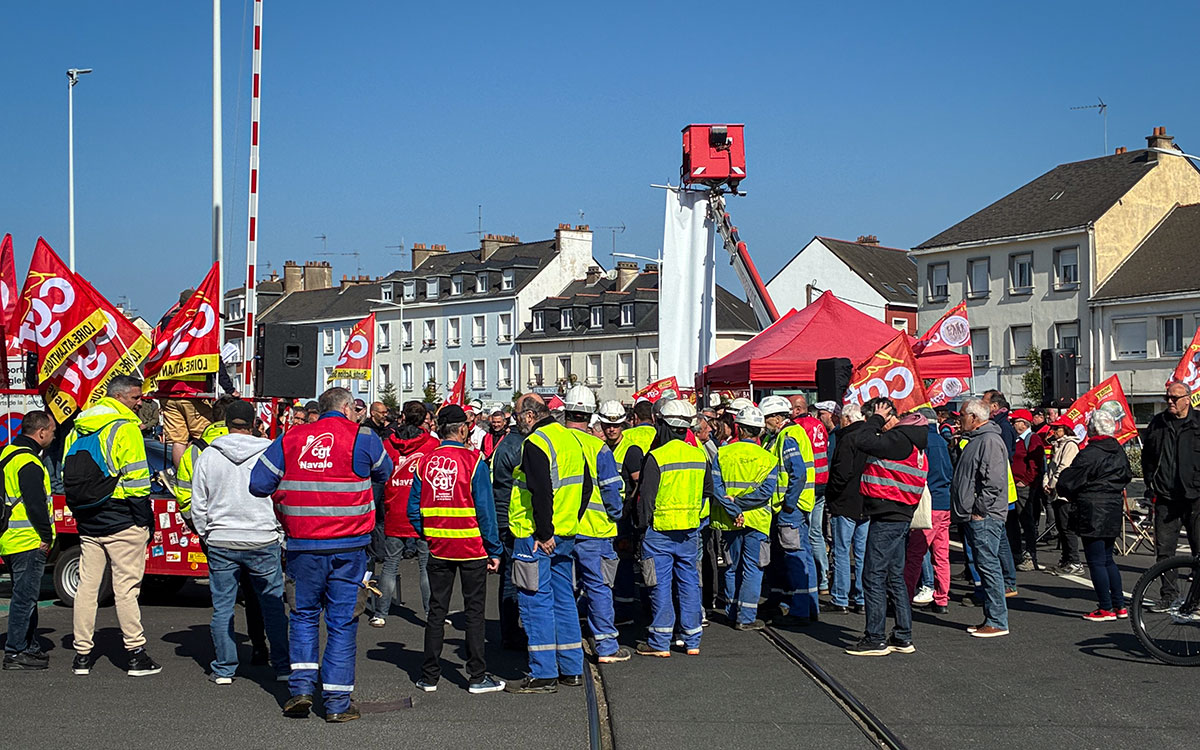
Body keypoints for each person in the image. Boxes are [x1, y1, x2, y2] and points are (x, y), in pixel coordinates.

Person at [250, 387, 393, 723]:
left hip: (303, 546)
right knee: (342, 622)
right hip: (349, 548)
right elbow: (385, 473)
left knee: (303, 616)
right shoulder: (364, 437)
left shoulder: (291, 438)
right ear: (346, 408)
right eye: (355, 410)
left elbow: (258, 484)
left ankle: (301, 689)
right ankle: (337, 704)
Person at [65, 375, 161, 677]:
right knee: (126, 589)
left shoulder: (78, 428)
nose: (140, 402)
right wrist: (145, 520)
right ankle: (135, 654)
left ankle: (82, 655)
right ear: (119, 397)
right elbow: (137, 482)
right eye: (136, 397)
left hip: (89, 520)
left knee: (87, 588)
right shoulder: (126, 428)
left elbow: (69, 476)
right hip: (123, 519)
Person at [407, 404, 505, 694]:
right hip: (472, 548)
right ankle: (476, 676)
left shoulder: (425, 462)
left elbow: (413, 509)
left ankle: (429, 676)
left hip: (438, 547)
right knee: (474, 611)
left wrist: (428, 534)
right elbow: (485, 511)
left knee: (437, 611)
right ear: (463, 429)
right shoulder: (474, 462)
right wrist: (494, 549)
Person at [190, 400, 290, 684]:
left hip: (222, 538)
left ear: (225, 424)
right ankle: (282, 666)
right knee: (272, 605)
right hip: (262, 537)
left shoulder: (209, 455)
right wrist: (280, 533)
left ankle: (224, 668)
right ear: (254, 423)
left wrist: (206, 534)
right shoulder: (271, 451)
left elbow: (198, 503)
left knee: (223, 607)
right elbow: (281, 496)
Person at [505, 394, 588, 693]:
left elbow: (540, 490)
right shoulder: (570, 439)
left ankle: (543, 673)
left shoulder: (536, 442)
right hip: (565, 533)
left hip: (537, 537)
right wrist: (568, 521)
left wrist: (544, 533)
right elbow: (586, 487)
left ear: (529, 416)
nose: (516, 421)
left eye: (517, 416)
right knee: (564, 599)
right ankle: (572, 668)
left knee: (535, 601)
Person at [845, 400, 927, 656]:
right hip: (898, 514)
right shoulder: (911, 441)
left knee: (873, 575)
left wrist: (876, 418)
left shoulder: (899, 439)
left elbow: (862, 440)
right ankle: (902, 636)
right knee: (894, 577)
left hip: (888, 514)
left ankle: (875, 637)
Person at [635, 399, 712, 656]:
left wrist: (641, 528)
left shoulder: (657, 457)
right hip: (689, 531)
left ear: (662, 424)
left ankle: (659, 641)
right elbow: (707, 491)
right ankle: (692, 640)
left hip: (659, 532)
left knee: (659, 585)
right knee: (689, 583)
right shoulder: (699, 455)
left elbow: (646, 500)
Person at [560, 387, 630, 663]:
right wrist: (616, 514)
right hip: (595, 530)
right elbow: (612, 491)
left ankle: (564, 644)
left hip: (559, 530)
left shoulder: (553, 442)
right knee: (598, 586)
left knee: (562, 588)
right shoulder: (598, 448)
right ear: (591, 417)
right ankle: (606, 646)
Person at [1057, 410, 1133, 621]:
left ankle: (1106, 607)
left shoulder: (1090, 453)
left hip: (1092, 506)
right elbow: (1127, 474)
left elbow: (1069, 481)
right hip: (1113, 505)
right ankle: (1119, 605)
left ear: (1093, 429)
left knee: (1096, 561)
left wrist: (1065, 484)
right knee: (1108, 559)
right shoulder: (1118, 450)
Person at [711, 406, 779, 630]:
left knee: (731, 567)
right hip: (757, 521)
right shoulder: (768, 459)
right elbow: (765, 493)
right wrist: (741, 505)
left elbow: (717, 488)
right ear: (760, 431)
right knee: (753, 567)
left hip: (729, 520)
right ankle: (746, 617)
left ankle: (731, 612)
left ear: (739, 429)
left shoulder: (722, 453)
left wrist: (734, 508)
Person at [373, 401, 438, 627]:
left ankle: (380, 613)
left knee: (390, 564)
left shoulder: (388, 444)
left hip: (395, 507)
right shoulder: (431, 444)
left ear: (402, 417)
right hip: (421, 510)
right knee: (425, 566)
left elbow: (380, 474)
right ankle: (431, 614)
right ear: (424, 419)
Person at [1, 411, 57, 670]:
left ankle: (28, 646)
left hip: (9, 538)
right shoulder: (29, 462)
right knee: (24, 598)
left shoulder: (7, 454)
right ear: (41, 432)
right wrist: (46, 536)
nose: (53, 436)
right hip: (27, 540)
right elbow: (36, 504)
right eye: (52, 432)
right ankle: (15, 652)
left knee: (24, 596)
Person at [951, 398, 1010, 639]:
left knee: (988, 565)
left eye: (962, 415)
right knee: (984, 565)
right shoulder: (977, 440)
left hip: (985, 516)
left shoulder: (989, 440)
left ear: (974, 418)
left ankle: (997, 620)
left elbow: (993, 481)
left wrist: (979, 509)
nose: (959, 420)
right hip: (976, 514)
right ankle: (991, 618)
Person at [1141, 380, 1200, 611]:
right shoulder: (1159, 423)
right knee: (1164, 552)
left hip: (1195, 498)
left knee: (1198, 552)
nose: (1170, 401)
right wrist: (1151, 483)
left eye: (1174, 398)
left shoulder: (1198, 422)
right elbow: (1147, 458)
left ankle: (1196, 600)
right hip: (1166, 498)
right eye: (1167, 397)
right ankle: (1168, 596)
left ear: (1188, 399)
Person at [760, 395, 818, 626]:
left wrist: (789, 503)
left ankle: (801, 610)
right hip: (790, 506)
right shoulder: (781, 435)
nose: (764, 423)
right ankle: (798, 604)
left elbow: (798, 473)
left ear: (777, 417)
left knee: (795, 557)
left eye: (766, 418)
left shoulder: (788, 436)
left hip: (790, 507)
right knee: (794, 556)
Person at [596, 400, 644, 624]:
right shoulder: (601, 448)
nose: (611, 429)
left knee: (623, 562)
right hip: (606, 515)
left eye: (615, 425)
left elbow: (638, 484)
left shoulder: (631, 450)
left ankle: (625, 609)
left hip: (624, 517)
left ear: (623, 424)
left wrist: (627, 510)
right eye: (607, 425)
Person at [902, 408, 953, 615]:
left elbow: (919, 474)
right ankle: (942, 598)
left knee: (915, 553)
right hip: (944, 501)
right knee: (941, 554)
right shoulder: (941, 441)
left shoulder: (922, 443)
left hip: (928, 502)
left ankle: (905, 597)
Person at [824, 404, 868, 614]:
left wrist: (831, 495)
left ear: (847, 419)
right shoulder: (871, 437)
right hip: (866, 500)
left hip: (845, 501)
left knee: (841, 551)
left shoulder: (847, 439)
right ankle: (861, 598)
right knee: (862, 552)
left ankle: (840, 598)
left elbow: (840, 473)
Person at [490, 408, 526, 650]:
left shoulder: (506, 444)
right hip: (513, 518)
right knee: (513, 578)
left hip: (506, 516)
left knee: (509, 577)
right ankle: (511, 633)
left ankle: (510, 631)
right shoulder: (518, 446)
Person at [789, 394, 831, 596]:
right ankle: (823, 578)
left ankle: (815, 578)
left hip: (808, 484)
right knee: (817, 532)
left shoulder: (797, 427)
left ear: (797, 409)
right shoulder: (818, 424)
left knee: (808, 533)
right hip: (823, 481)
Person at [1043, 417, 1083, 576]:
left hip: (1065, 493)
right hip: (1056, 491)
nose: (1054, 432)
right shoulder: (1057, 445)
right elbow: (1051, 467)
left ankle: (1074, 561)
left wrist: (1052, 484)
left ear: (1066, 430)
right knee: (1061, 527)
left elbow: (1064, 467)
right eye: (1053, 429)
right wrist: (1046, 482)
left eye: (1057, 429)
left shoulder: (1070, 445)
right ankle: (1066, 559)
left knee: (1067, 528)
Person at [1008, 409, 1046, 572]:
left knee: (1026, 521)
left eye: (1015, 421)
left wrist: (1026, 481)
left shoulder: (1032, 439)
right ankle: (1016, 553)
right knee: (1011, 520)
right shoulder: (1016, 439)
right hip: (1013, 485)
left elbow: (1036, 464)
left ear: (1024, 424)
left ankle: (1031, 555)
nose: (1013, 424)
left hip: (1023, 486)